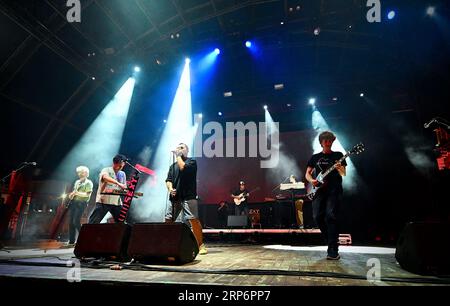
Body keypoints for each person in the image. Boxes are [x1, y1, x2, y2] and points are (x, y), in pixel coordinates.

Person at [305, 131, 346, 260]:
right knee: (317, 217)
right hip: (319, 190)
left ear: (333, 141)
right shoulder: (315, 157)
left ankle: (333, 249)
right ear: (321, 142)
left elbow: (344, 174)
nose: (328, 143)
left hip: (334, 190)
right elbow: (307, 174)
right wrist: (312, 181)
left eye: (330, 140)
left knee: (330, 215)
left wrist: (339, 168)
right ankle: (331, 242)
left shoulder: (338, 155)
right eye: (325, 141)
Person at [165, 143, 207, 255]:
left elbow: (183, 167)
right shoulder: (172, 166)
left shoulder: (192, 161)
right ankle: (168, 243)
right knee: (169, 219)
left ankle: (200, 245)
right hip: (175, 197)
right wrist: (170, 188)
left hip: (188, 196)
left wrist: (178, 155)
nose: (179, 149)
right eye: (178, 147)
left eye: (182, 148)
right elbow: (168, 180)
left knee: (193, 220)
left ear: (187, 151)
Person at [88, 154, 128, 224]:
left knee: (121, 223)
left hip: (117, 202)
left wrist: (125, 190)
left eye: (122, 165)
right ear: (115, 163)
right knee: (93, 222)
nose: (120, 167)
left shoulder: (122, 174)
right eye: (119, 165)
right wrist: (118, 183)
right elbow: (105, 177)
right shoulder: (106, 170)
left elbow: (124, 187)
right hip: (103, 201)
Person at [67, 166, 93, 245]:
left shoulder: (88, 183)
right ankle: (71, 241)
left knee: (76, 221)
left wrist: (76, 193)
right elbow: (74, 192)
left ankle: (84, 238)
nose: (80, 174)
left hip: (82, 203)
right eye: (79, 172)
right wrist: (71, 195)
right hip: (74, 202)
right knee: (71, 222)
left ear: (86, 173)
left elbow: (87, 195)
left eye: (82, 172)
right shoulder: (77, 182)